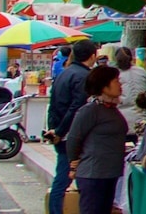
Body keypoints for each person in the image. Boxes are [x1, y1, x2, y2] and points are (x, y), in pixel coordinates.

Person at [44, 40, 97, 214]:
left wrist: (54, 129)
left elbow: (53, 104)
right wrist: (60, 131)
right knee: (66, 178)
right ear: (92, 56)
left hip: (62, 132)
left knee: (64, 178)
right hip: (71, 135)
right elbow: (76, 108)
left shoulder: (64, 73)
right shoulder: (83, 76)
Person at [66, 66, 127, 214]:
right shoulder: (90, 110)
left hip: (110, 173)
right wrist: (74, 162)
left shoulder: (112, 109)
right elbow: (73, 139)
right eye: (116, 81)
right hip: (93, 175)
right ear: (104, 86)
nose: (120, 84)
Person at [113, 47, 146, 140]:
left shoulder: (115, 76)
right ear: (131, 58)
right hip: (142, 118)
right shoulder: (141, 72)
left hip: (121, 120)